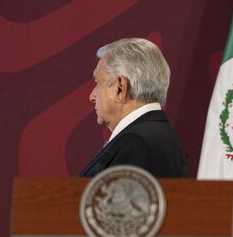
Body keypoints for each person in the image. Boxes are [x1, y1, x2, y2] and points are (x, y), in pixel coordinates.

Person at [80, 38, 187, 177]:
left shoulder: (135, 145)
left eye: (98, 83)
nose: (92, 96)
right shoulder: (157, 134)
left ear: (120, 88)